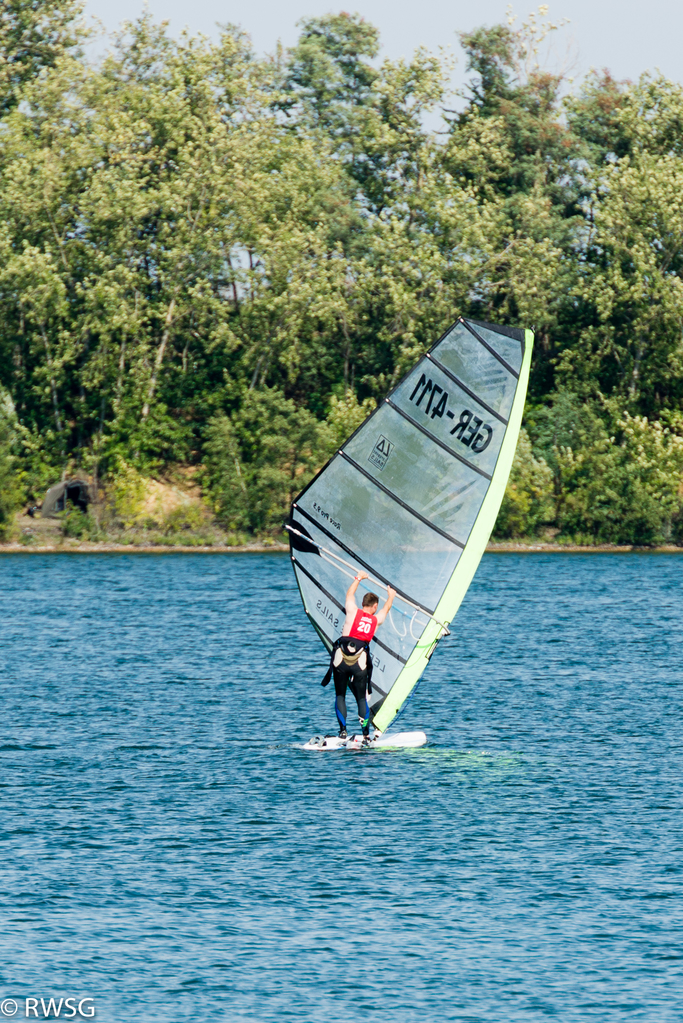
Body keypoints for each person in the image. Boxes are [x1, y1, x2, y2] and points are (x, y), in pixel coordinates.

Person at [321, 571, 396, 744]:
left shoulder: (352, 610)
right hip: (360, 662)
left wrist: (358, 578)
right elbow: (387, 608)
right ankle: (366, 735)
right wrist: (390, 596)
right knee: (361, 698)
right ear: (374, 606)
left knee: (340, 696)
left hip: (340, 659)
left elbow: (349, 594)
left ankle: (342, 732)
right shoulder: (376, 620)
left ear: (363, 604)